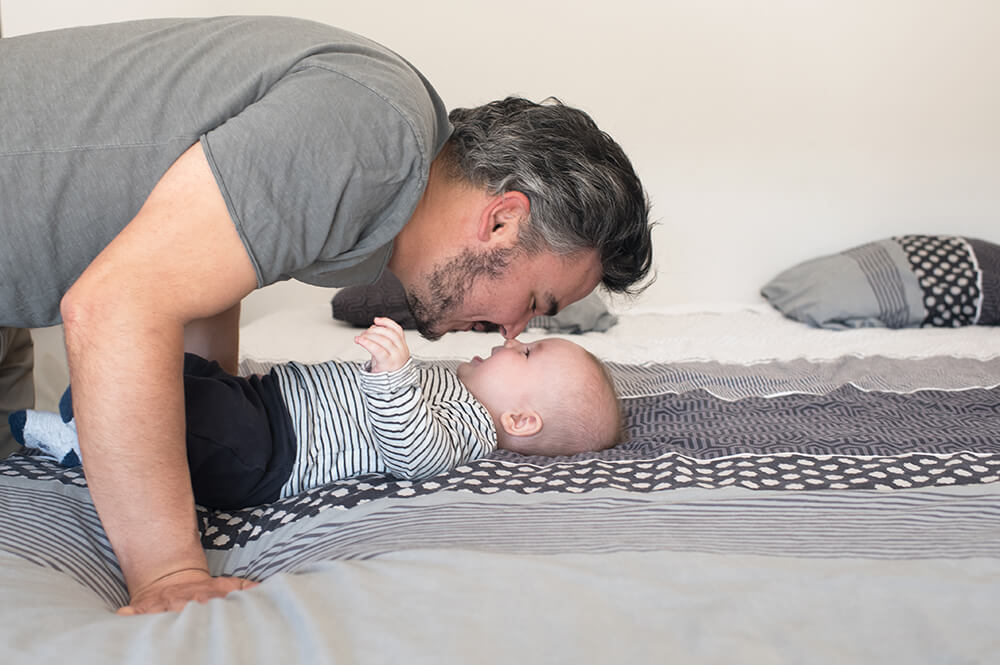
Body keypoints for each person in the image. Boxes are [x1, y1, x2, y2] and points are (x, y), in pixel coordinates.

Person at [0, 16, 652, 614]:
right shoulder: (374, 133)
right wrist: (168, 570)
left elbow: (199, 274)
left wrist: (208, 401)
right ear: (504, 219)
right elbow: (119, 301)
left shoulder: (384, 164)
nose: (514, 331)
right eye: (536, 305)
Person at [12, 317, 623, 508]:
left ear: (519, 420)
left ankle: (89, 426)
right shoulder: (454, 386)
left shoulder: (469, 427)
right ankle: (70, 433)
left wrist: (392, 377)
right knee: (187, 375)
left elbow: (415, 453)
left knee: (183, 412)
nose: (512, 340)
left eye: (529, 351)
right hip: (267, 403)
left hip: (270, 452)